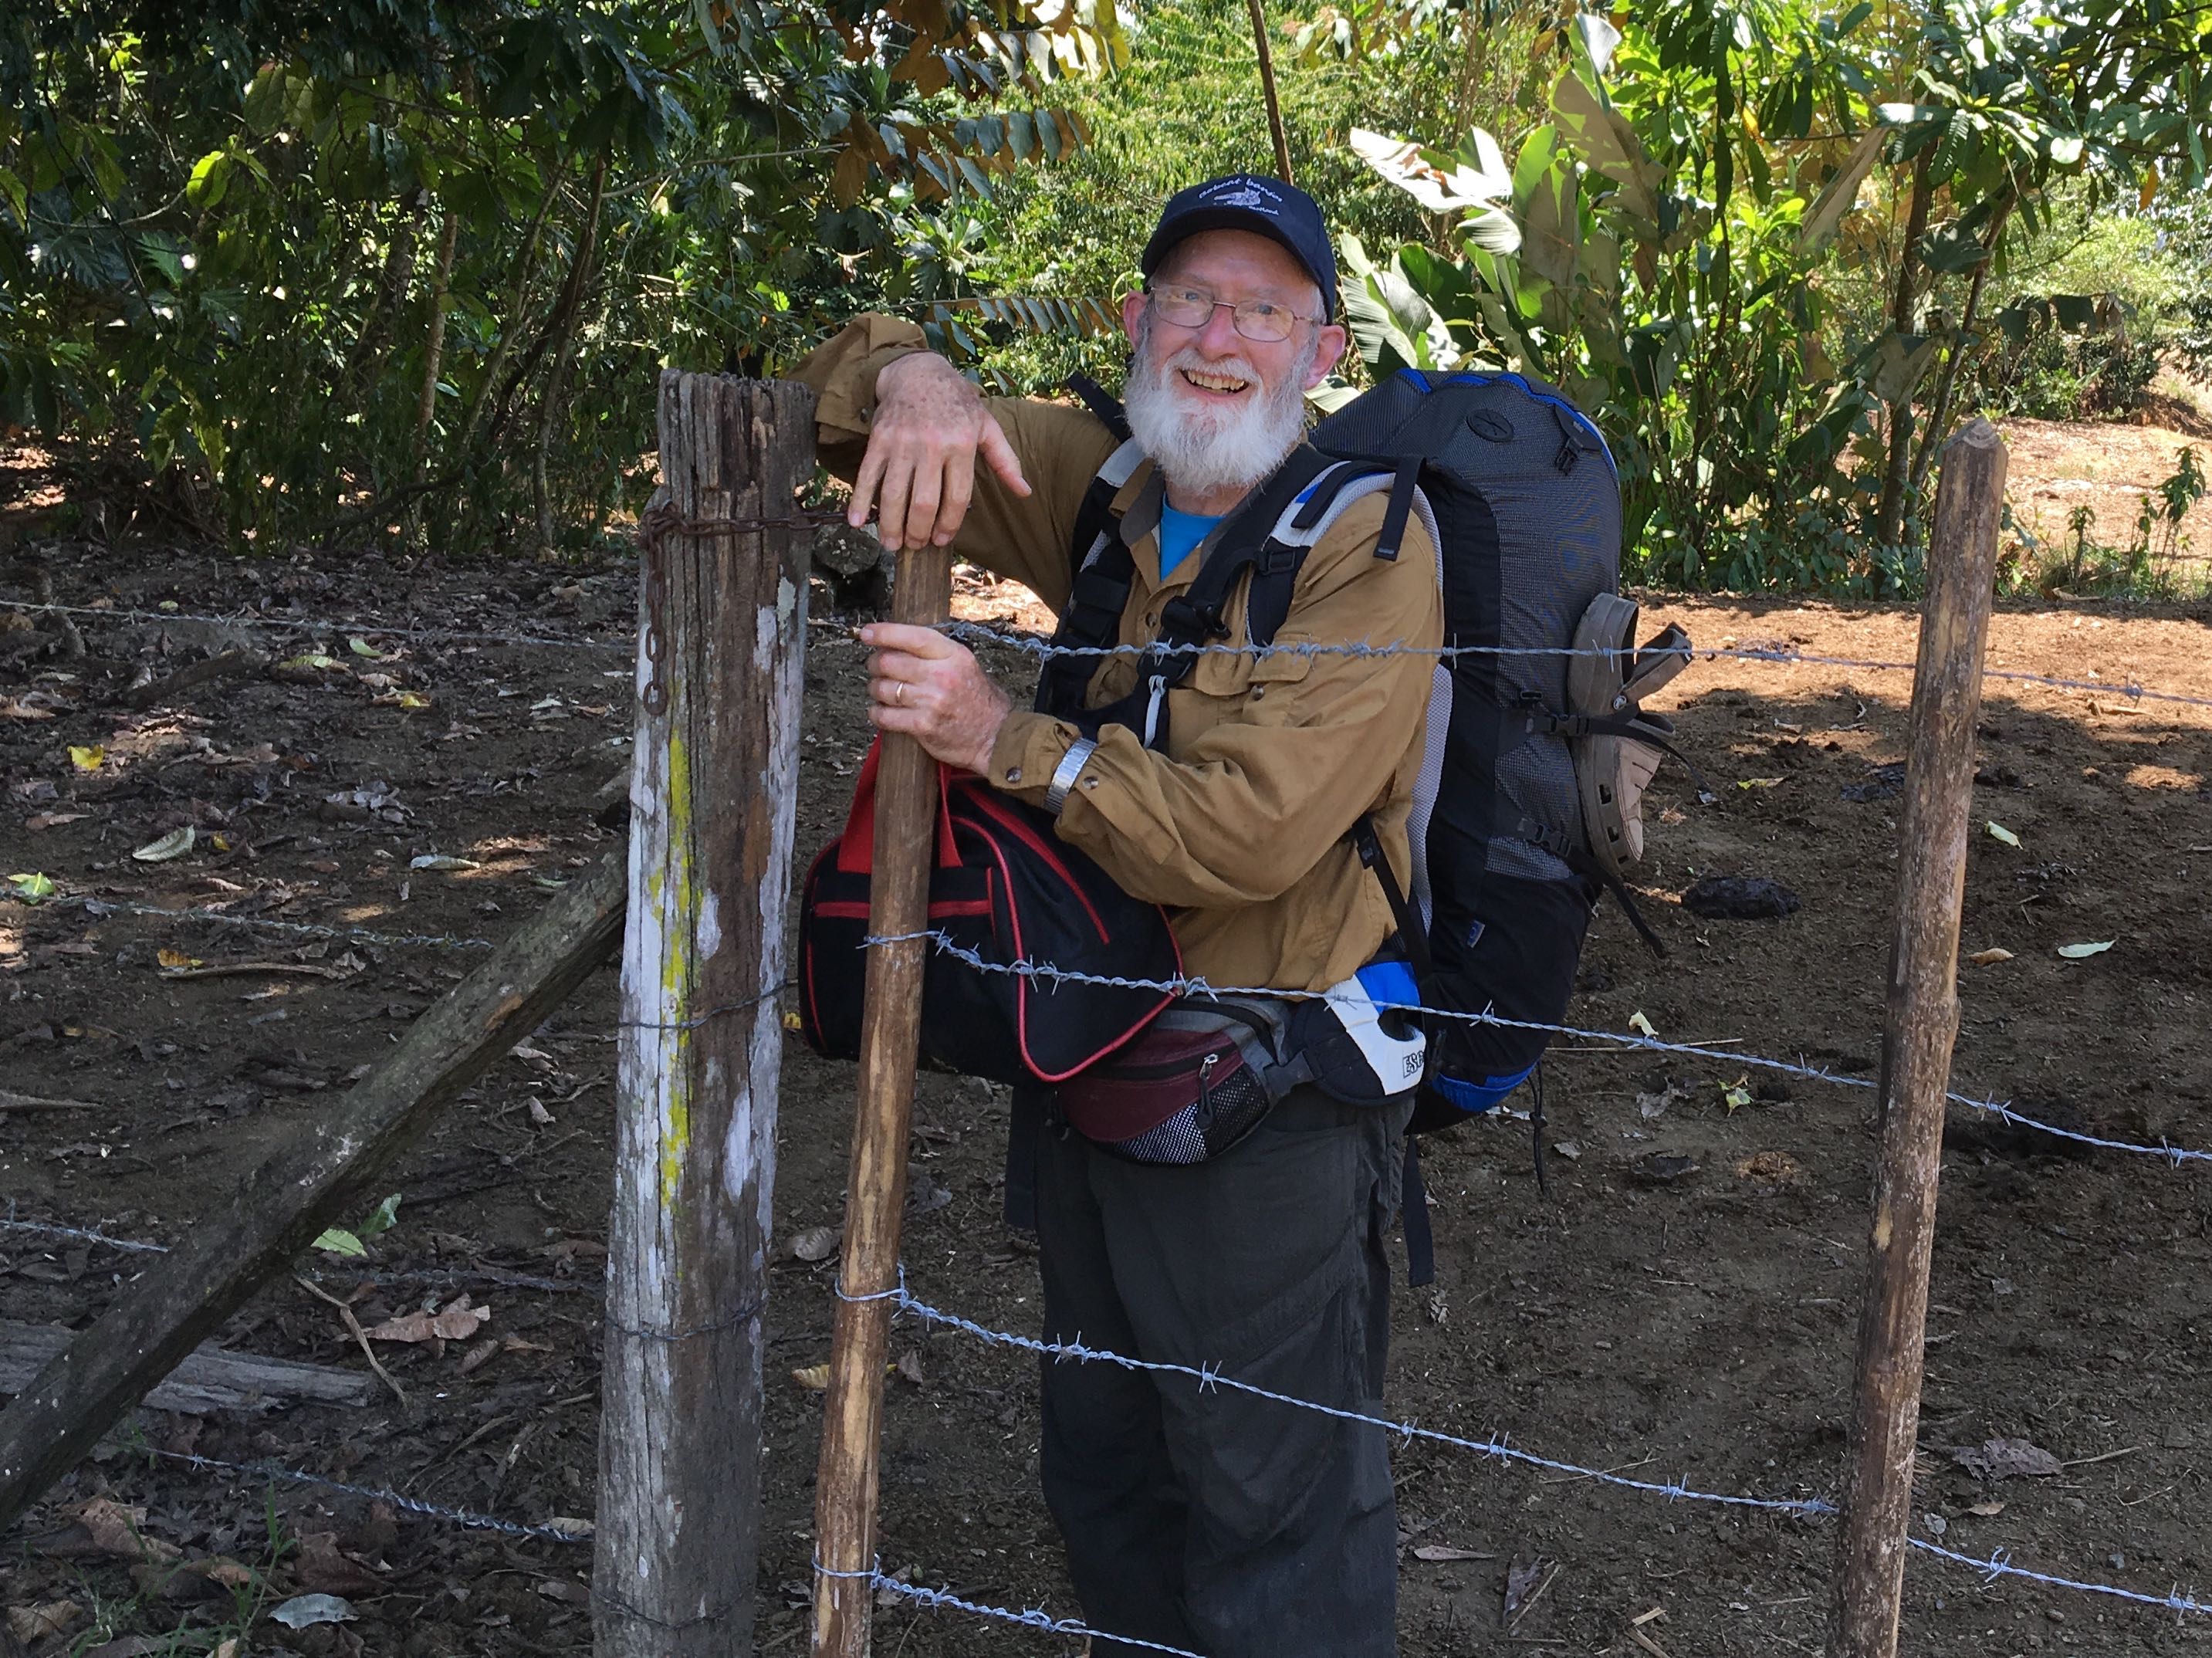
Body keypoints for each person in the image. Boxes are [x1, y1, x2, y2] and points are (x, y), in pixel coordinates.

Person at [792, 173, 1443, 1658]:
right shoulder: (1110, 480)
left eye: (1264, 313)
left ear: (1321, 353)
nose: (1220, 341)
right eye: (1193, 303)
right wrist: (924, 382)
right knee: (1104, 1459)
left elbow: (1254, 835)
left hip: (1268, 1082)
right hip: (1090, 1053)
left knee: (1273, 1497)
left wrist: (997, 737)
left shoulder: (1373, 547)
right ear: (1137, 320)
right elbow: (830, 402)